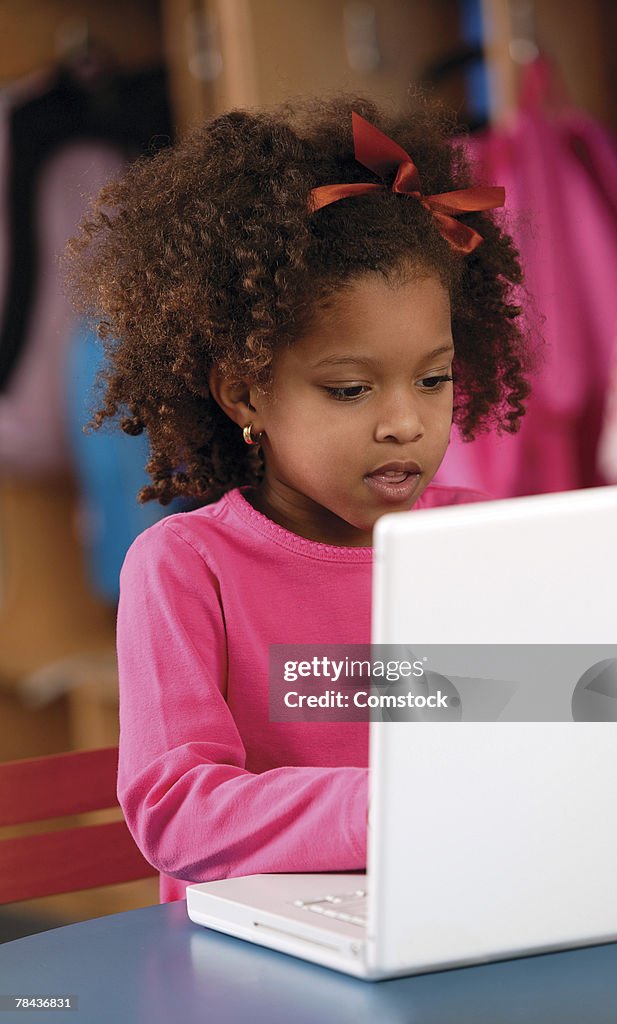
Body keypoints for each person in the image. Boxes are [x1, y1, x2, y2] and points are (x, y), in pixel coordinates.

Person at [64, 94, 534, 903]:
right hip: (264, 960)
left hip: (467, 909)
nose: (404, 424)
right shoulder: (185, 568)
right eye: (350, 389)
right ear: (244, 394)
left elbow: (554, 729)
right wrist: (395, 809)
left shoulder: (482, 540)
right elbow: (176, 811)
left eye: (431, 379)